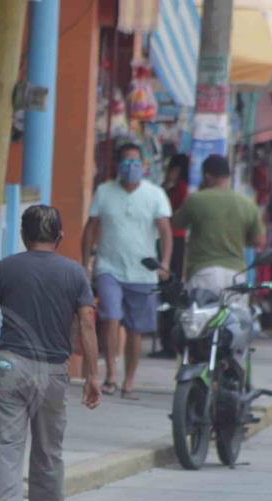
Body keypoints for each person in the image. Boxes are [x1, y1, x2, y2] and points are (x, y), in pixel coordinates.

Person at [0, 205, 101, 501]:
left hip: (11, 366)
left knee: (5, 448)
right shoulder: (74, 274)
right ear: (60, 237)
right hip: (54, 371)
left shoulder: (7, 267)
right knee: (48, 453)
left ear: (24, 237)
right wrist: (92, 375)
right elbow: (87, 325)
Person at [81, 142, 173, 398]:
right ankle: (111, 375)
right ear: (118, 166)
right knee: (111, 316)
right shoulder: (104, 191)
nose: (131, 167)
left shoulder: (156, 195)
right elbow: (91, 227)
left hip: (143, 272)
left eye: (135, 162)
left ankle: (129, 381)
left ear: (143, 166)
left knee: (135, 329)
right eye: (126, 162)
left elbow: (165, 231)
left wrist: (164, 263)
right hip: (109, 267)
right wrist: (85, 262)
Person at [171, 155, 265, 303]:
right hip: (236, 275)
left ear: (207, 176)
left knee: (201, 324)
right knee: (234, 324)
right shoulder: (248, 204)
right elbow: (259, 241)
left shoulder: (196, 199)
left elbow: (175, 224)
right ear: (229, 175)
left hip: (204, 273)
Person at [154, 154, 190, 357]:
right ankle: (167, 341)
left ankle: (169, 342)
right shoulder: (174, 187)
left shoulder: (180, 188)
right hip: (172, 241)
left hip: (174, 241)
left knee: (170, 291)